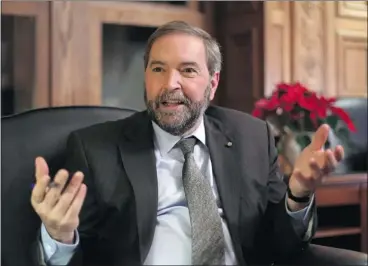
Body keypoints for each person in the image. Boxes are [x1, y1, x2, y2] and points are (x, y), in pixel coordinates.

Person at [31, 21, 344, 266]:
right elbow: (78, 257)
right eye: (158, 69)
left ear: (213, 83)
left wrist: (298, 195)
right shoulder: (95, 149)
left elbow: (278, 245)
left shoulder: (251, 137)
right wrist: (59, 235)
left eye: (188, 70)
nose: (170, 84)